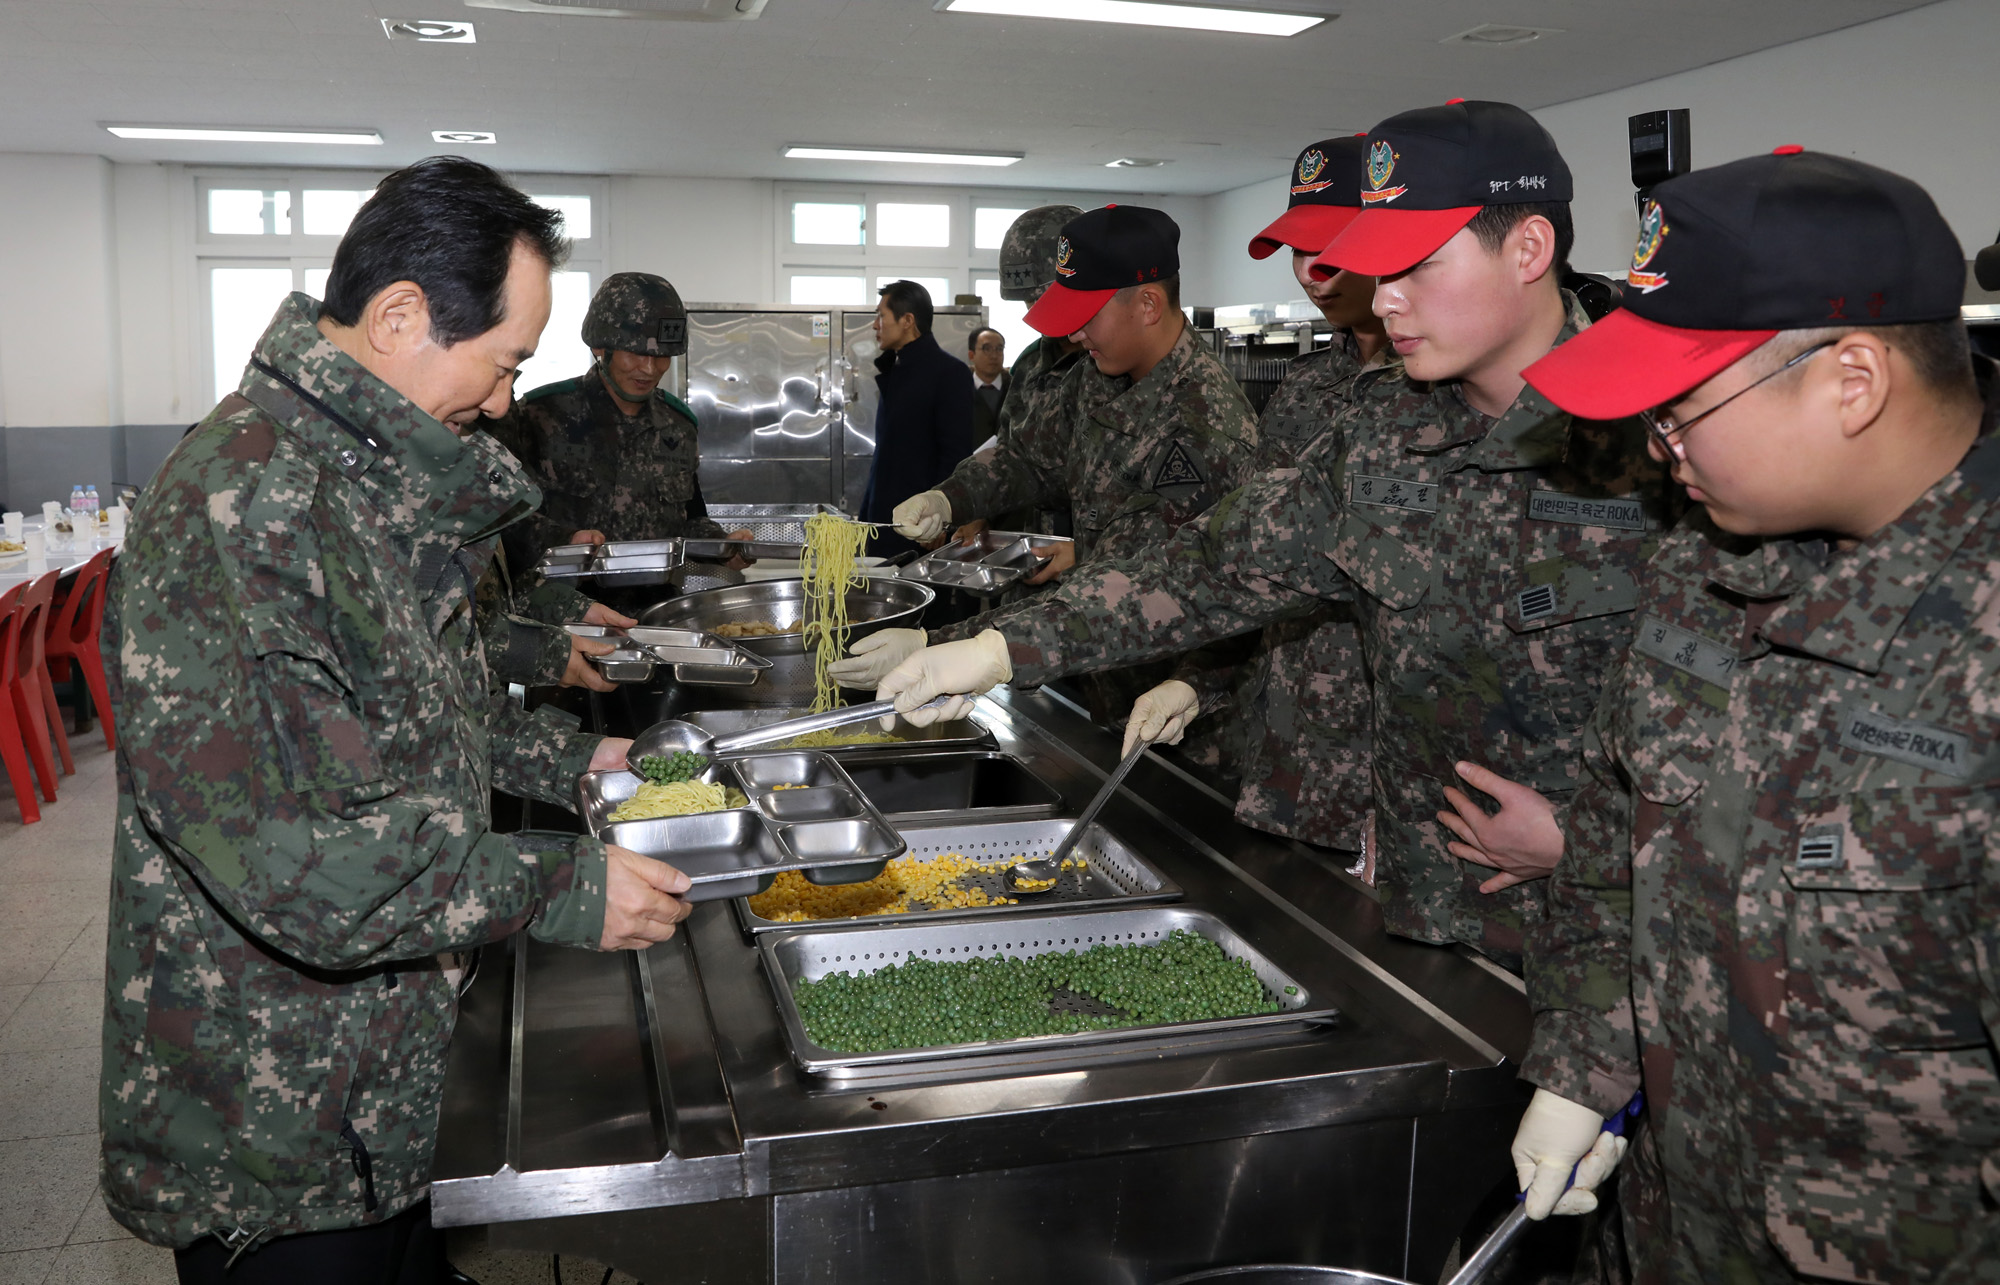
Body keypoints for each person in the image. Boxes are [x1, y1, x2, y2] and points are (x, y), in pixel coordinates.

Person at [874, 101, 1682, 976]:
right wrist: (996, 648)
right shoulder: (1384, 435)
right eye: (1379, 269)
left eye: (1415, 266)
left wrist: (1588, 838)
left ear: (1527, 250)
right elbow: (1215, 564)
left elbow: (1783, 740)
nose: (1387, 297)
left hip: (1619, 945)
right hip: (1422, 914)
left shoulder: (1667, 438)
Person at [100, 156, 693, 1285]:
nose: (508, 399)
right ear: (402, 317)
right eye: (505, 362)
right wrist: (568, 887)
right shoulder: (242, 511)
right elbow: (301, 859)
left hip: (385, 1081)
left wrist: (588, 764)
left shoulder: (361, 494)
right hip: (279, 1128)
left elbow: (439, 708)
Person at [1489, 149, 2000, 1284]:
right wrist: (1582, 1062)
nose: (1658, 458)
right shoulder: (1702, 574)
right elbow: (1624, 848)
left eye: (1677, 413)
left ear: (1851, 379)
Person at [853, 205, 1263, 737]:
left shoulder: (1204, 427)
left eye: (1084, 314)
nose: (1071, 332)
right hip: (1096, 676)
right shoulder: (1098, 374)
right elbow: (1027, 456)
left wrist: (948, 642)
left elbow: (1126, 585)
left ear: (1146, 305)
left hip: (1175, 707)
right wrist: (949, 499)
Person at [1130, 134, 1392, 861]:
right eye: (1298, 249)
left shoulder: (1448, 394)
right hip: (1285, 759)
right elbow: (1251, 566)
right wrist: (1199, 680)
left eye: (1334, 244)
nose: (1313, 270)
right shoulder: (1305, 390)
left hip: (1392, 787)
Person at [487, 271, 752, 576]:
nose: (650, 368)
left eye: (662, 355)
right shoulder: (538, 417)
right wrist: (566, 541)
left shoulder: (677, 428)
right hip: (566, 612)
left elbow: (690, 519)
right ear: (600, 347)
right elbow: (506, 519)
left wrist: (722, 547)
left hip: (655, 611)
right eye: (637, 353)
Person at [858, 279, 976, 559]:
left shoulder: (949, 373)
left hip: (921, 532)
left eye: (881, 316)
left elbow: (955, 456)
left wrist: (940, 522)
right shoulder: (895, 370)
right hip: (884, 525)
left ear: (907, 320)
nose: (876, 325)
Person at [969, 326, 1008, 445]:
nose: (994, 355)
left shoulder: (1018, 387)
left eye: (999, 349)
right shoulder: (956, 389)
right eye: (987, 349)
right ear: (971, 355)